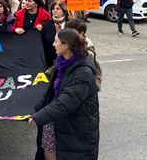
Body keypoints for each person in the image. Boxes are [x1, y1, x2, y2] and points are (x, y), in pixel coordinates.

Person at [29, 28, 99, 160]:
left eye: (56, 41)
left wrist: (40, 117)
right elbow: (50, 93)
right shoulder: (60, 63)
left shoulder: (84, 72)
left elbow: (67, 101)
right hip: (54, 119)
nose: (53, 44)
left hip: (74, 125)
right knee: (48, 151)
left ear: (66, 45)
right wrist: (36, 110)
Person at [39, 1, 69, 68]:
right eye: (53, 9)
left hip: (67, 59)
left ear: (64, 11)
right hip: (50, 61)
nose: (55, 11)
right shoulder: (46, 25)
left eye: (58, 9)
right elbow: (42, 44)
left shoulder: (70, 24)